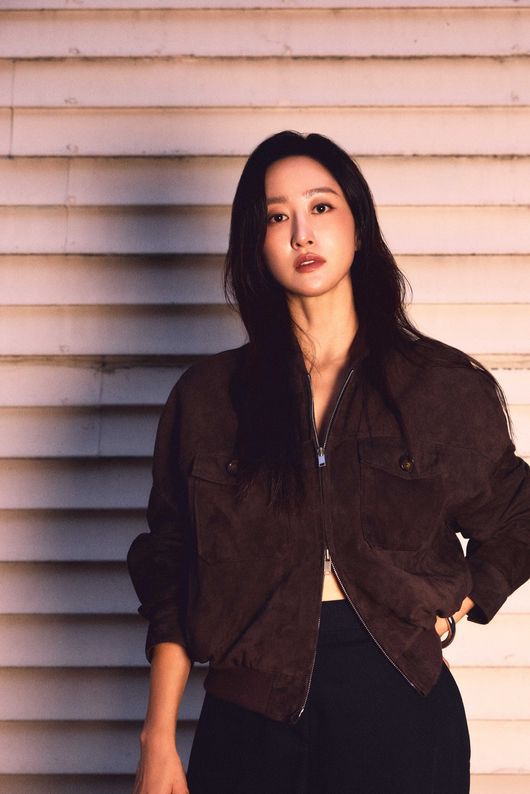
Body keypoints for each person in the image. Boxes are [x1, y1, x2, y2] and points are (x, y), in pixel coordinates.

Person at [127, 130, 530, 794]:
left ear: (358, 226)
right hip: (248, 716)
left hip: (397, 709)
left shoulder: (440, 388)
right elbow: (171, 568)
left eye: (320, 207)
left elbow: (519, 518)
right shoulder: (208, 399)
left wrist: (458, 601)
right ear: (255, 243)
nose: (301, 233)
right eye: (276, 217)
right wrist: (158, 734)